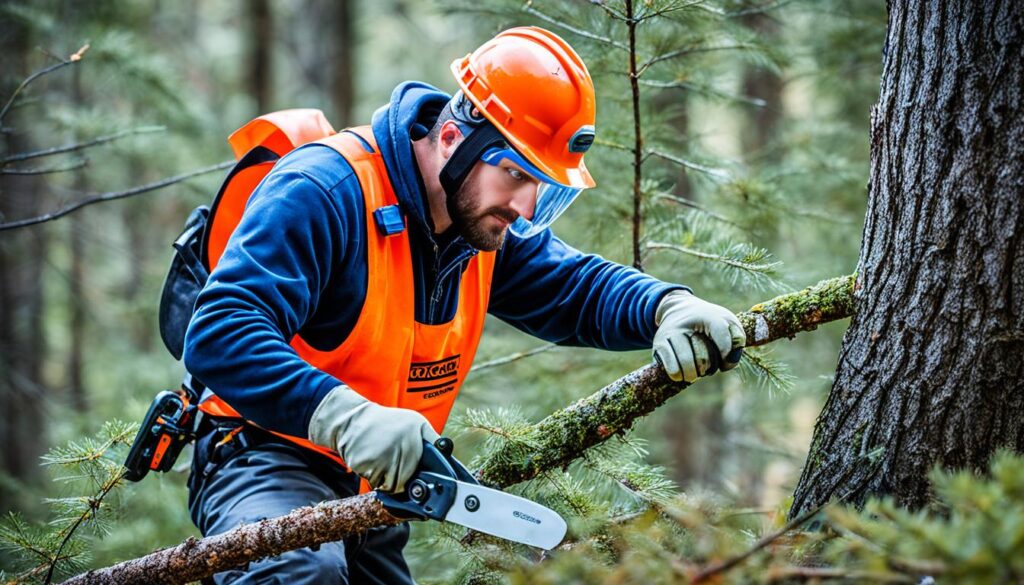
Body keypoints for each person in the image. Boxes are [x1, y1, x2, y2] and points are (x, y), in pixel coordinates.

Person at [183, 26, 746, 584]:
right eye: (516, 174)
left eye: (542, 186)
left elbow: (576, 287)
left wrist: (666, 306)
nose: (525, 206)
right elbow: (220, 330)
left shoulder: (478, 223)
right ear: (453, 137)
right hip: (261, 457)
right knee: (297, 578)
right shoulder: (326, 190)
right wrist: (348, 418)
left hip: (373, 478)